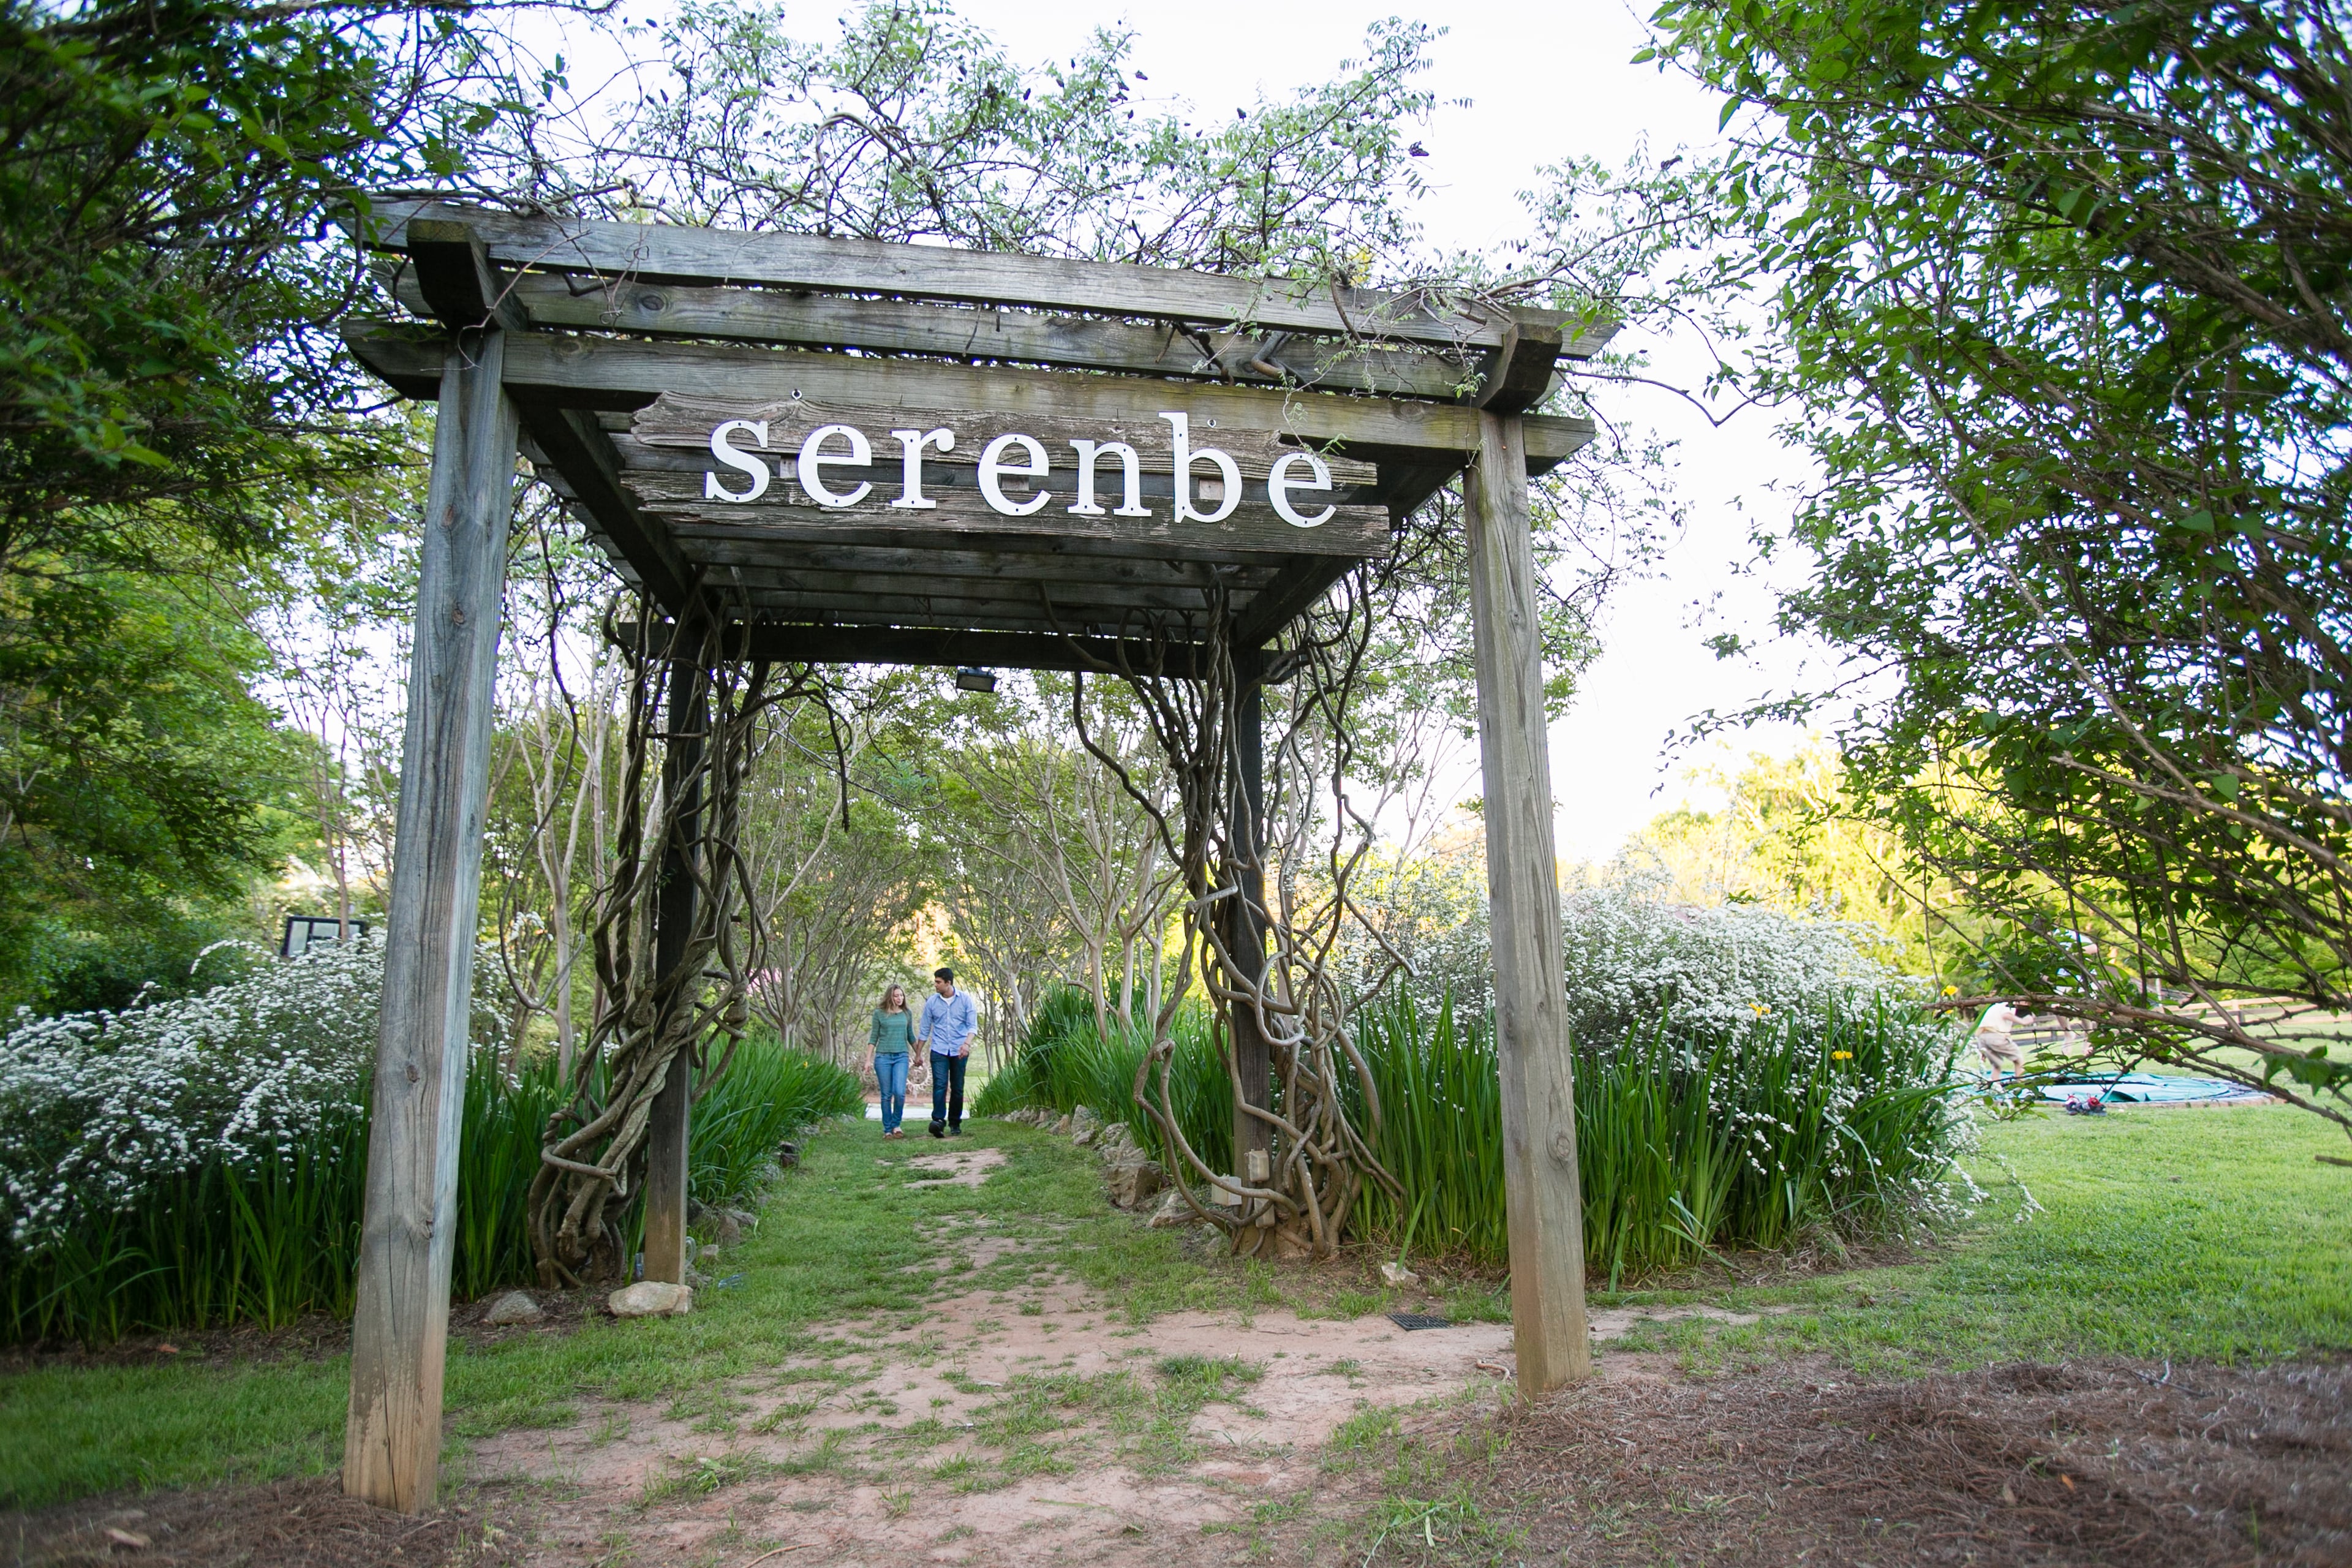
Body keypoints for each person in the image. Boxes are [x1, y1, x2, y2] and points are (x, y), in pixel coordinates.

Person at [915, 966, 978, 1138]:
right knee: (940, 1086)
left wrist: (967, 1044)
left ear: (948, 983)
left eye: (938, 982)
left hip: (960, 1050)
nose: (935, 985)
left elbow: (973, 1026)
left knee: (957, 1088)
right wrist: (918, 1054)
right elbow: (925, 1029)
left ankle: (955, 1123)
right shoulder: (932, 1003)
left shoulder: (965, 1000)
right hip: (939, 1050)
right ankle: (938, 1122)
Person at [870, 983, 915, 1139]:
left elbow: (911, 1037)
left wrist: (919, 1054)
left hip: (901, 1056)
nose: (899, 998)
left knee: (900, 1092)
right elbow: (873, 1038)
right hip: (883, 1057)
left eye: (901, 995)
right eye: (896, 996)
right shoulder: (879, 1014)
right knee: (886, 1095)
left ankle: (897, 1124)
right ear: (890, 996)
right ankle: (888, 1129)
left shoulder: (907, 1013)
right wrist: (867, 1060)